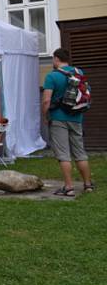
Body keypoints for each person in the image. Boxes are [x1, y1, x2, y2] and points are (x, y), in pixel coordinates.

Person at [42, 48, 92, 196]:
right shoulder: (79, 73)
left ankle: (69, 187)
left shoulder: (52, 76)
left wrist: (45, 116)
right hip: (76, 117)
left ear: (56, 59)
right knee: (80, 152)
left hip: (58, 118)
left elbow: (46, 100)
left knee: (63, 154)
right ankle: (88, 185)